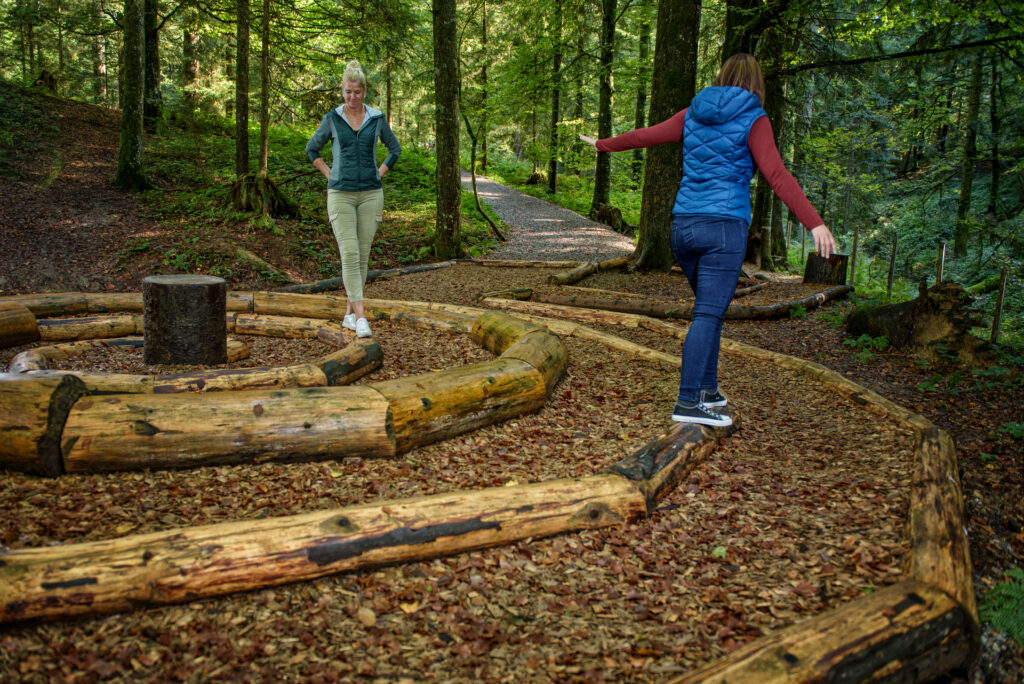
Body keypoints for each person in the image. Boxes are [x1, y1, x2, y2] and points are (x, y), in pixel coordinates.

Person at [581, 53, 836, 427]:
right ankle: (687, 402)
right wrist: (814, 223)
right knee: (707, 314)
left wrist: (603, 144)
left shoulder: (694, 112)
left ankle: (708, 390)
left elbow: (645, 136)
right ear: (756, 83)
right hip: (723, 228)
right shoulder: (754, 117)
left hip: (683, 228)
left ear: (722, 76)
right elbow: (777, 174)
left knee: (709, 311)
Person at [306, 60, 401, 338]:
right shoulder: (333, 119)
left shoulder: (376, 118)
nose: (352, 97)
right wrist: (329, 172)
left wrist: (379, 172)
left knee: (361, 256)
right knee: (349, 253)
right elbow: (312, 148)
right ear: (342, 91)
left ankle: (348, 314)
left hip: (371, 194)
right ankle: (361, 318)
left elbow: (394, 149)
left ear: (364, 91)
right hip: (340, 195)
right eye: (348, 92)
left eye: (357, 92)